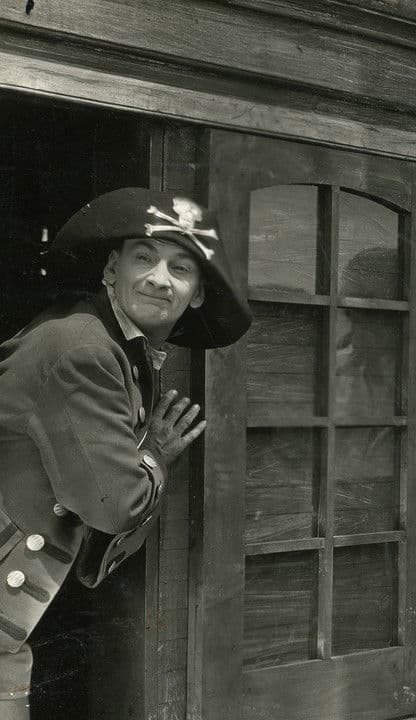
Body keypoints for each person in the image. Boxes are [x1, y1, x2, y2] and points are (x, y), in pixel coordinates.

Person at [0, 188, 252, 719]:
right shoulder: (83, 348)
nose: (160, 279)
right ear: (111, 270)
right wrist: (155, 453)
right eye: (144, 258)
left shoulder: (112, 340)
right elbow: (115, 504)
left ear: (197, 294)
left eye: (180, 268)